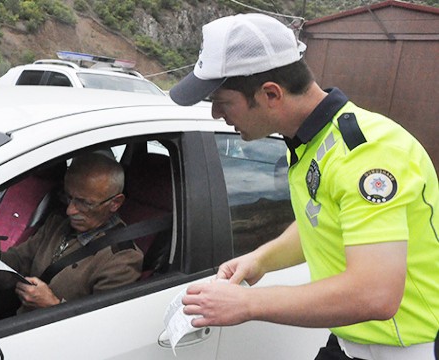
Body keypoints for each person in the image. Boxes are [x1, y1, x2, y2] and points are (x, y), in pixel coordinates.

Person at [169, 13, 438, 360]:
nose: (217, 116)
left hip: (406, 351)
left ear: (270, 94)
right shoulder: (313, 142)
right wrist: (260, 260)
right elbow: (324, 220)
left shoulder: (368, 154)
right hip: (346, 344)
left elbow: (376, 294)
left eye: (222, 102)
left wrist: (248, 303)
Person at [0, 153, 143, 314]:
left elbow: (103, 331)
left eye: (84, 203)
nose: (70, 210)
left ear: (115, 203)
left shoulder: (122, 258)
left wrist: (54, 306)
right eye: (68, 197)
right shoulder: (58, 223)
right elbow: (15, 268)